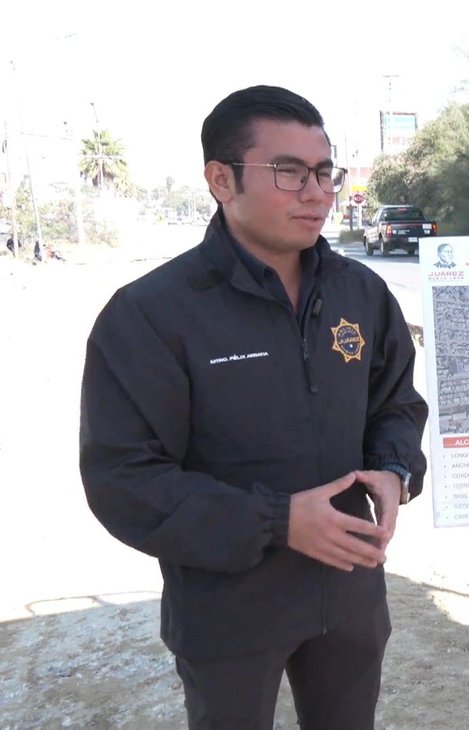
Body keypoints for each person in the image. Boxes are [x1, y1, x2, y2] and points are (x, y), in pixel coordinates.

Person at [79, 85, 429, 729]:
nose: (317, 191)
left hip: (349, 587)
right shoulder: (153, 314)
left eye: (324, 171)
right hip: (228, 604)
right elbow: (123, 478)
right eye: (288, 172)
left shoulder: (363, 293)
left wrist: (392, 467)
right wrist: (276, 522)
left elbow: (396, 403)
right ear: (221, 179)